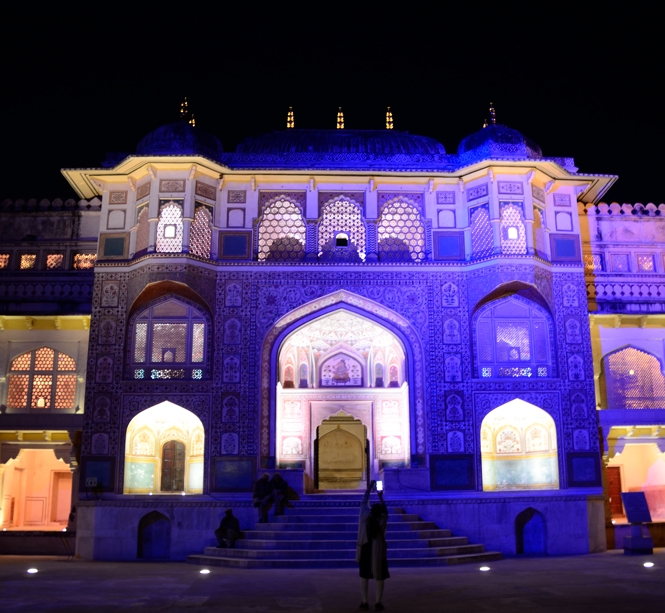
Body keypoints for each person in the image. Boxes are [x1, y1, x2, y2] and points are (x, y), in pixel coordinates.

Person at [356, 480, 389, 611]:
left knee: (364, 575)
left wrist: (369, 489)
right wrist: (380, 496)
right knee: (379, 576)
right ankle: (378, 602)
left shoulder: (364, 515)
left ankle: (364, 602)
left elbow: (363, 503)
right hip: (378, 550)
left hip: (365, 547)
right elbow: (386, 512)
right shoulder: (382, 518)